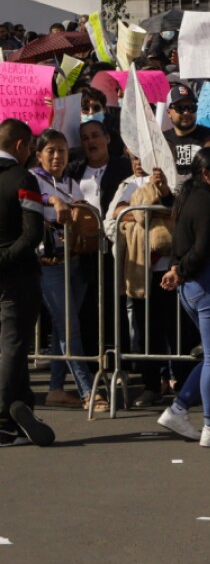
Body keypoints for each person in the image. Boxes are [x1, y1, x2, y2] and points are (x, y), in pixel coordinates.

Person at [154, 147, 210, 447]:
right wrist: (181, 270)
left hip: (200, 285)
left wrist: (178, 270)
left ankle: (179, 409)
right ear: (207, 173)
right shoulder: (206, 203)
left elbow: (184, 244)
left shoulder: (193, 199)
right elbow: (202, 247)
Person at [31, 130, 102, 411]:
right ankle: (88, 392)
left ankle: (56, 389)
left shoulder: (71, 181)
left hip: (74, 261)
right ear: (39, 156)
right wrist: (54, 201)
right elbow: (32, 200)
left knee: (66, 329)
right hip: (48, 266)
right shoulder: (33, 179)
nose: (58, 156)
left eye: (61, 150)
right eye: (51, 151)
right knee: (70, 331)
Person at [0, 119, 55, 447]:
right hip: (17, 274)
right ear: (21, 146)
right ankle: (4, 423)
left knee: (11, 347)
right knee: (14, 346)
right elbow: (33, 232)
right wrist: (6, 259)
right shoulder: (23, 178)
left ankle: (22, 410)